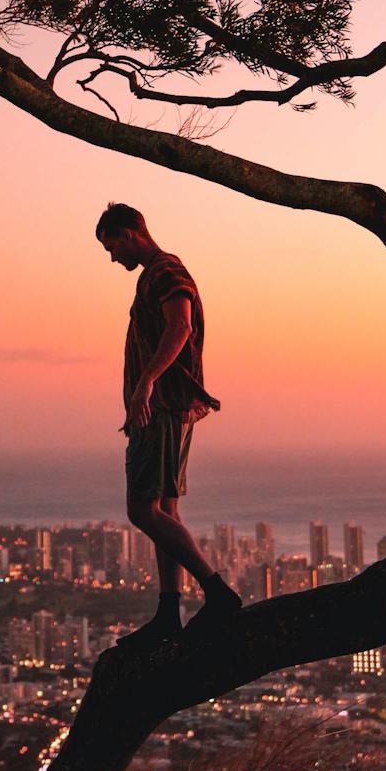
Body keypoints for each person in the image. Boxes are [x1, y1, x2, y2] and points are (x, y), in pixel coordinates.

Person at [95, 202, 243, 647]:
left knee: (141, 510)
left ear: (130, 233)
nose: (112, 257)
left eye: (112, 245)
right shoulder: (155, 273)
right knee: (165, 511)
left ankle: (217, 592)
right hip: (166, 407)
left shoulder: (163, 271)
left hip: (160, 408)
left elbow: (179, 326)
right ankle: (168, 614)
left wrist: (146, 383)